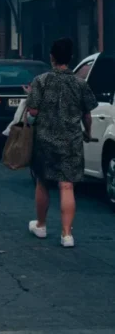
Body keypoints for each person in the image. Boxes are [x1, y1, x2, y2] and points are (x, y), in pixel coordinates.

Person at [27, 38, 97, 248]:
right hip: (71, 141)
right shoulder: (80, 83)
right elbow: (87, 115)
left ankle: (41, 225)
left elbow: (33, 111)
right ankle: (67, 235)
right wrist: (87, 133)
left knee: (43, 182)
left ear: (52, 57)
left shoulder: (41, 81)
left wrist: (30, 97)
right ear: (70, 58)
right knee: (67, 186)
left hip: (45, 140)